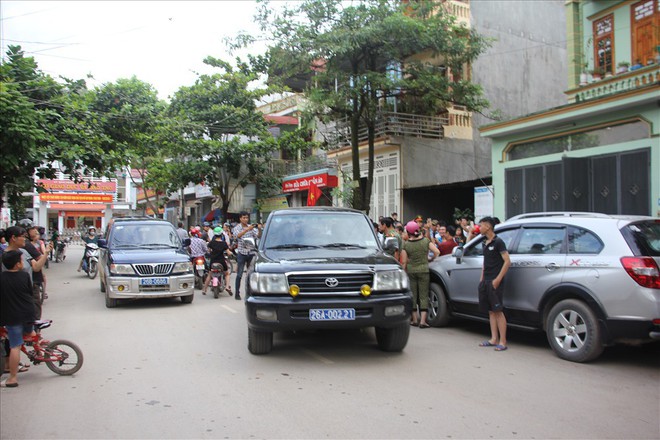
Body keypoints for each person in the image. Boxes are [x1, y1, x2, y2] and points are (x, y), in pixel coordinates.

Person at [0, 250, 38, 388]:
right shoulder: (24, 276)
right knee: (29, 333)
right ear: (17, 264)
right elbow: (29, 291)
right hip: (29, 313)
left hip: (12, 316)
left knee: (15, 346)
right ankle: (40, 352)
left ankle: (12, 378)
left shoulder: (2, 278)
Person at [477, 216, 511, 352]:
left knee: (498, 311)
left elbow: (507, 261)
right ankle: (493, 339)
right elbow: (485, 263)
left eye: (481, 225)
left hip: (495, 281)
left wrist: (497, 280)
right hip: (486, 280)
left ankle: (503, 341)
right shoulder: (485, 243)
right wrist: (482, 278)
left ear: (488, 226)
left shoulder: (499, 242)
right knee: (491, 311)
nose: (479, 228)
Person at [400, 220, 439, 328]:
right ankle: (423, 321)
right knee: (423, 295)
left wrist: (403, 271)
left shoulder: (406, 245)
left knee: (413, 294)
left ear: (408, 232)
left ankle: (414, 320)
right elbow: (437, 251)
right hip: (423, 270)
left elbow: (404, 261)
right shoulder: (425, 241)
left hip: (411, 271)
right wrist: (430, 258)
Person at [232, 212, 261, 300]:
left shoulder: (251, 227)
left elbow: (258, 236)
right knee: (239, 274)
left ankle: (250, 292)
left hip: (251, 253)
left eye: (247, 218)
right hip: (242, 253)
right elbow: (238, 236)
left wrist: (259, 229)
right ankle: (237, 293)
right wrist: (248, 229)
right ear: (240, 219)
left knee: (251, 274)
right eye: (244, 218)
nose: (245, 219)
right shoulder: (237, 228)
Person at [202, 227, 232, 295]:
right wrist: (231, 253)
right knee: (227, 274)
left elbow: (208, 251)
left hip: (213, 261)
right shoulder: (224, 243)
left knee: (210, 275)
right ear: (221, 234)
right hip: (221, 261)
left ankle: (204, 289)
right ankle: (227, 286)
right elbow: (228, 252)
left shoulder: (211, 243)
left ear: (214, 235)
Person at [27, 227, 48, 301]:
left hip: (39, 260)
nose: (37, 235)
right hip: (31, 261)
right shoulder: (28, 244)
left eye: (37, 233)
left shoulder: (40, 242)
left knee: (42, 276)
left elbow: (43, 251)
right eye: (35, 233)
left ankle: (44, 291)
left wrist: (44, 255)